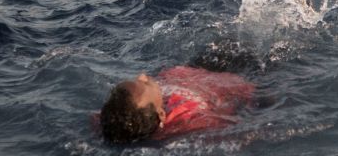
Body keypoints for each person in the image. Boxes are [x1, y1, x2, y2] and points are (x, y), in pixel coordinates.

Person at [98, 63, 255, 144]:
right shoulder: (195, 124)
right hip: (239, 76)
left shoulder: (115, 118)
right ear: (161, 114)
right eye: (145, 84)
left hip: (195, 70)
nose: (142, 76)